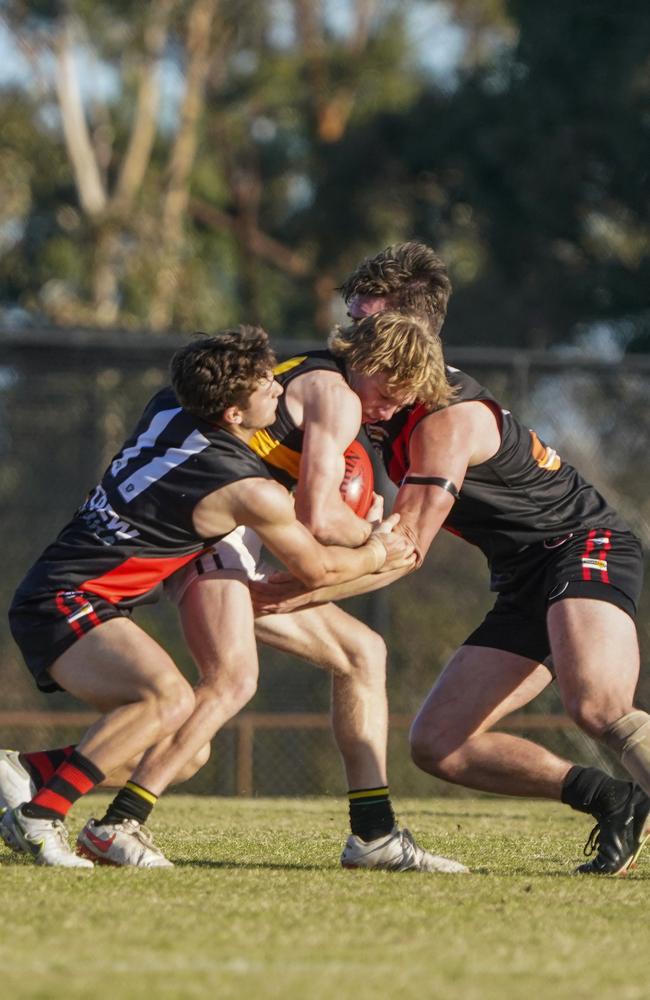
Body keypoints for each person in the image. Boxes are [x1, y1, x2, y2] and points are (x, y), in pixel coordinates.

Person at [30, 308, 467, 873]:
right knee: (229, 680)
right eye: (391, 390)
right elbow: (317, 517)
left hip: (232, 527)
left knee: (362, 653)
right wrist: (377, 537)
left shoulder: (301, 379)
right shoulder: (339, 397)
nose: (393, 407)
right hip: (222, 526)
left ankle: (374, 834)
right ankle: (115, 823)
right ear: (367, 363)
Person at [255, 293, 650, 878]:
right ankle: (613, 799)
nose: (383, 410)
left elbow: (406, 548)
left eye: (373, 313)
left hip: (583, 546)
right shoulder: (367, 389)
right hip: (524, 576)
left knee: (598, 705)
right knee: (439, 744)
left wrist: (299, 590)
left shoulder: (444, 420)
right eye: (355, 316)